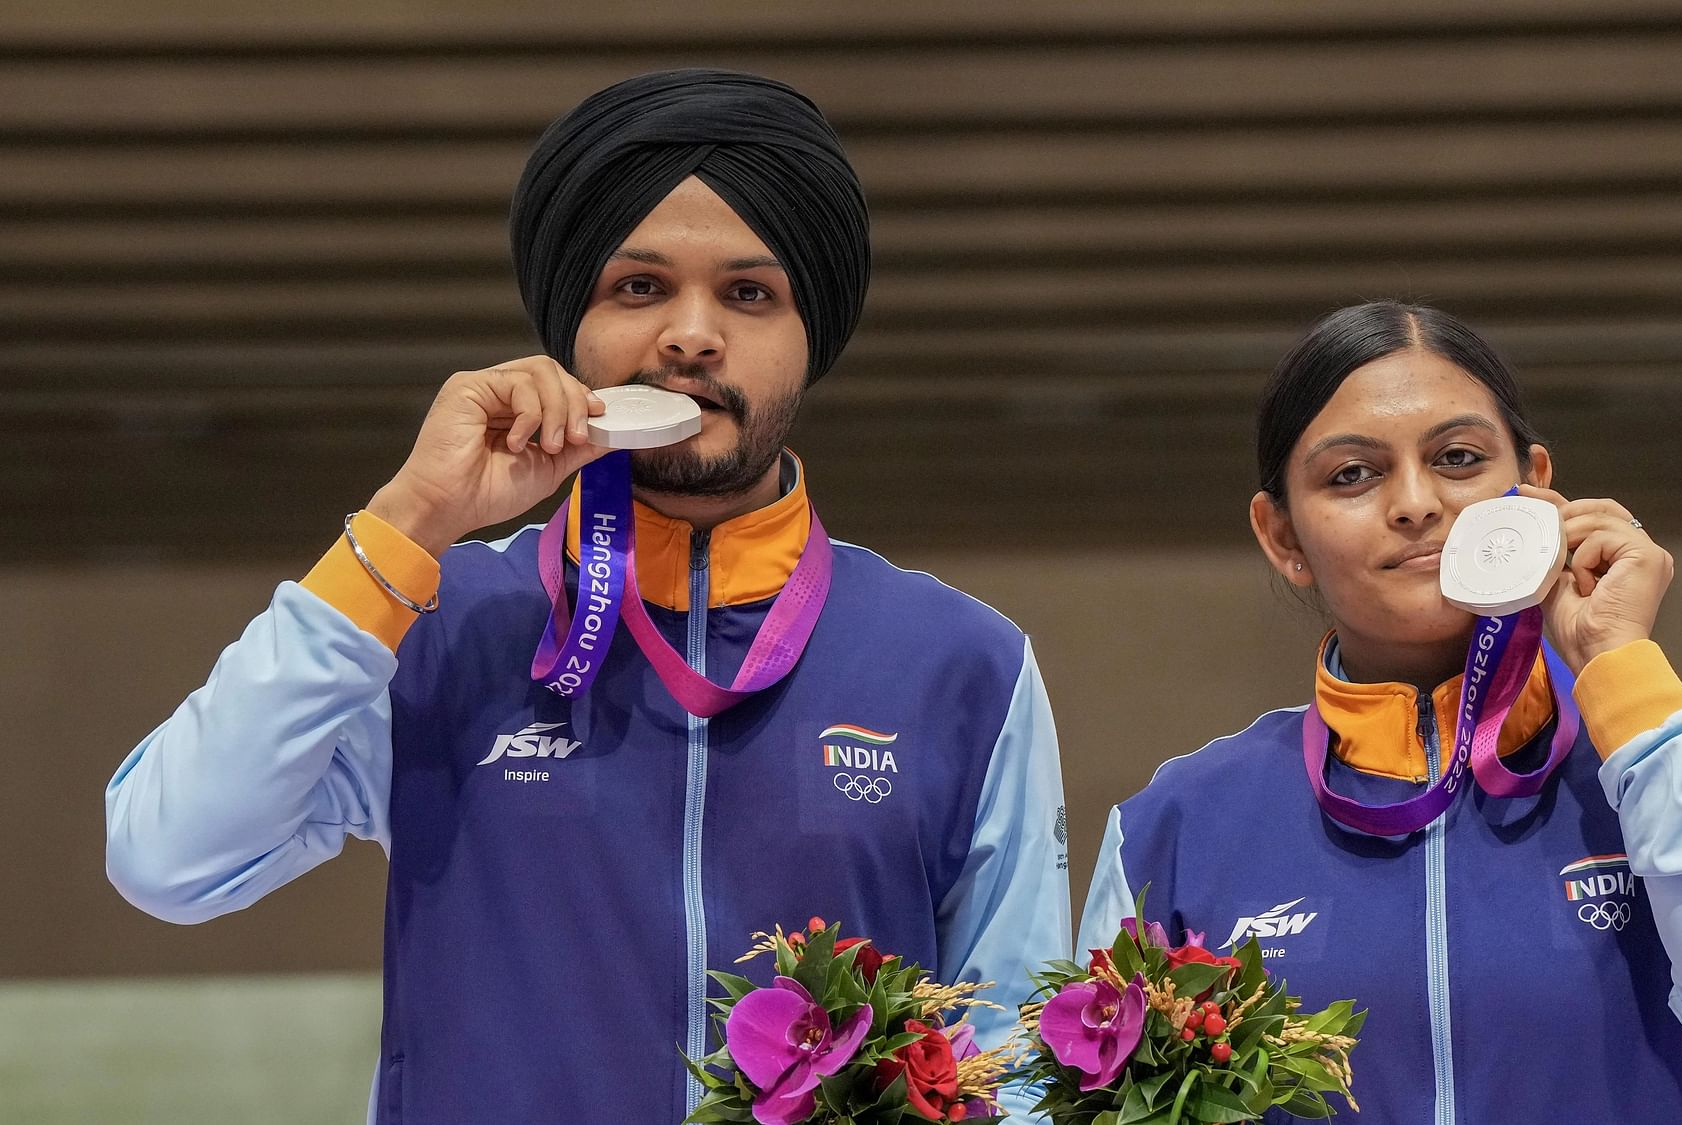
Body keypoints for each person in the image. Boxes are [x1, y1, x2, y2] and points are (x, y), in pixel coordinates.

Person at [106, 69, 1069, 1123]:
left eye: (750, 294)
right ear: (572, 326)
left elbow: (1017, 1048)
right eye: (638, 288)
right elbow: (167, 857)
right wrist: (408, 520)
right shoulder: (440, 623)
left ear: (813, 337)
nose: (691, 336)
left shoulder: (958, 663)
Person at [1077, 301, 1682, 1123]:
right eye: (1351, 474)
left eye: (1458, 457)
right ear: (1282, 535)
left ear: (1536, 488)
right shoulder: (1176, 828)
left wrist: (1624, 675)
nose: (1416, 502)